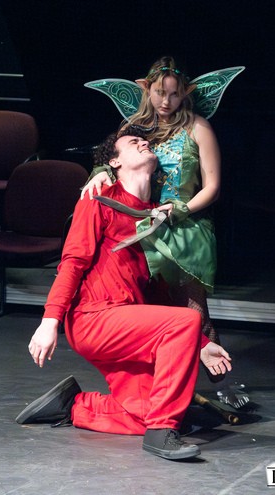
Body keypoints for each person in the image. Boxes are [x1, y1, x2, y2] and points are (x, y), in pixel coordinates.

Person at [16, 130, 232, 461]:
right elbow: (72, 262)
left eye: (146, 142)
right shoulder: (99, 198)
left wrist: (200, 344)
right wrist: (49, 321)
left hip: (129, 326)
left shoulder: (155, 215)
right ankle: (162, 432)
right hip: (93, 318)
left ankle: (74, 405)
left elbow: (156, 294)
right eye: (133, 143)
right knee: (186, 322)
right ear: (114, 162)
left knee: (146, 412)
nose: (144, 143)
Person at [82, 57, 222, 378]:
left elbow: (212, 187)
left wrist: (180, 209)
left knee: (194, 314)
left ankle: (213, 371)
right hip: (141, 226)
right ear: (146, 90)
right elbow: (112, 158)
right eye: (159, 92)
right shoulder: (133, 127)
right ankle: (162, 380)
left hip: (184, 229)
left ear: (185, 93)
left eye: (174, 94)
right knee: (150, 312)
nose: (166, 101)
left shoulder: (197, 128)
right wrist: (100, 171)